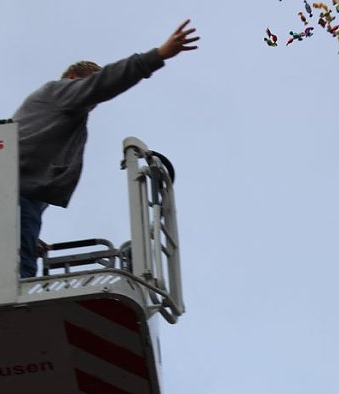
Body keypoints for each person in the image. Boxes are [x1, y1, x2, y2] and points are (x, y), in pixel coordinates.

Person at [13, 19, 199, 278]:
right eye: (88, 87)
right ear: (72, 78)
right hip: (17, 191)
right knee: (20, 277)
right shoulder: (59, 92)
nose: (93, 102)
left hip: (19, 193)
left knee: (20, 255)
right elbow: (105, 83)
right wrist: (158, 56)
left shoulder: (55, 112)